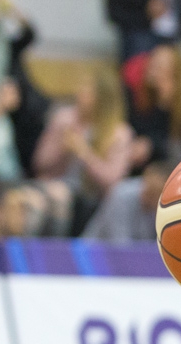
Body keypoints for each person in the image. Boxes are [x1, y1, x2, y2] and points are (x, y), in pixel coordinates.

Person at [32, 67, 134, 236]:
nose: (80, 93)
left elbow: (112, 181)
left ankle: (56, 252)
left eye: (88, 90)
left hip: (91, 196)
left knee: (59, 197)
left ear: (103, 98)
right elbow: (39, 163)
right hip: (52, 184)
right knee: (35, 200)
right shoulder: (63, 118)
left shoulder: (119, 134)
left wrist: (85, 153)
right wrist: (62, 148)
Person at [82, 157, 169, 243]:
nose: (154, 199)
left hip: (134, 253)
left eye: (156, 195)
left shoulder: (162, 204)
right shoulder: (122, 195)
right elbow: (121, 245)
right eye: (150, 193)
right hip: (94, 251)